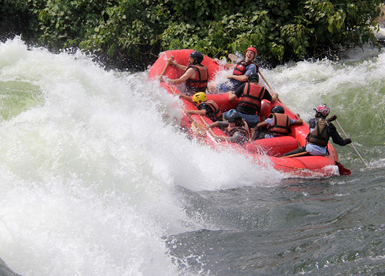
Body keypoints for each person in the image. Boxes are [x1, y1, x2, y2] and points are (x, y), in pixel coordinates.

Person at [282, 104, 352, 157]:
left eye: (316, 112)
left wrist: (330, 119)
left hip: (309, 149)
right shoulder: (331, 126)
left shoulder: (312, 121)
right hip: (322, 152)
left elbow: (319, 123)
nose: (315, 113)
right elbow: (339, 142)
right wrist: (348, 140)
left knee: (285, 155)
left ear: (319, 113)